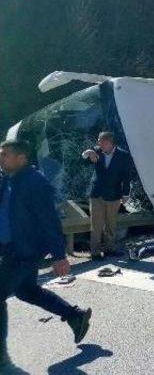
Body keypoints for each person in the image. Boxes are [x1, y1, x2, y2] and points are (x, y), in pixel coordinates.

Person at [0, 140, 92, 371]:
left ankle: (1, 359)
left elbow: (49, 221)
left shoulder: (34, 182)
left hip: (24, 251)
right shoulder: (7, 180)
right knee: (27, 291)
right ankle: (75, 315)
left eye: (4, 155)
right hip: (11, 249)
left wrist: (60, 255)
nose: (0, 159)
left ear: (21, 158)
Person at [81, 132, 133, 260]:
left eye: (102, 142)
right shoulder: (96, 152)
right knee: (96, 224)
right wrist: (86, 153)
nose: (99, 144)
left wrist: (126, 193)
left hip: (114, 194)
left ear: (110, 143)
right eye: (99, 141)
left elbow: (127, 176)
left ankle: (109, 249)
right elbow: (82, 162)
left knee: (111, 224)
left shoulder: (123, 155)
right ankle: (95, 252)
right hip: (97, 194)